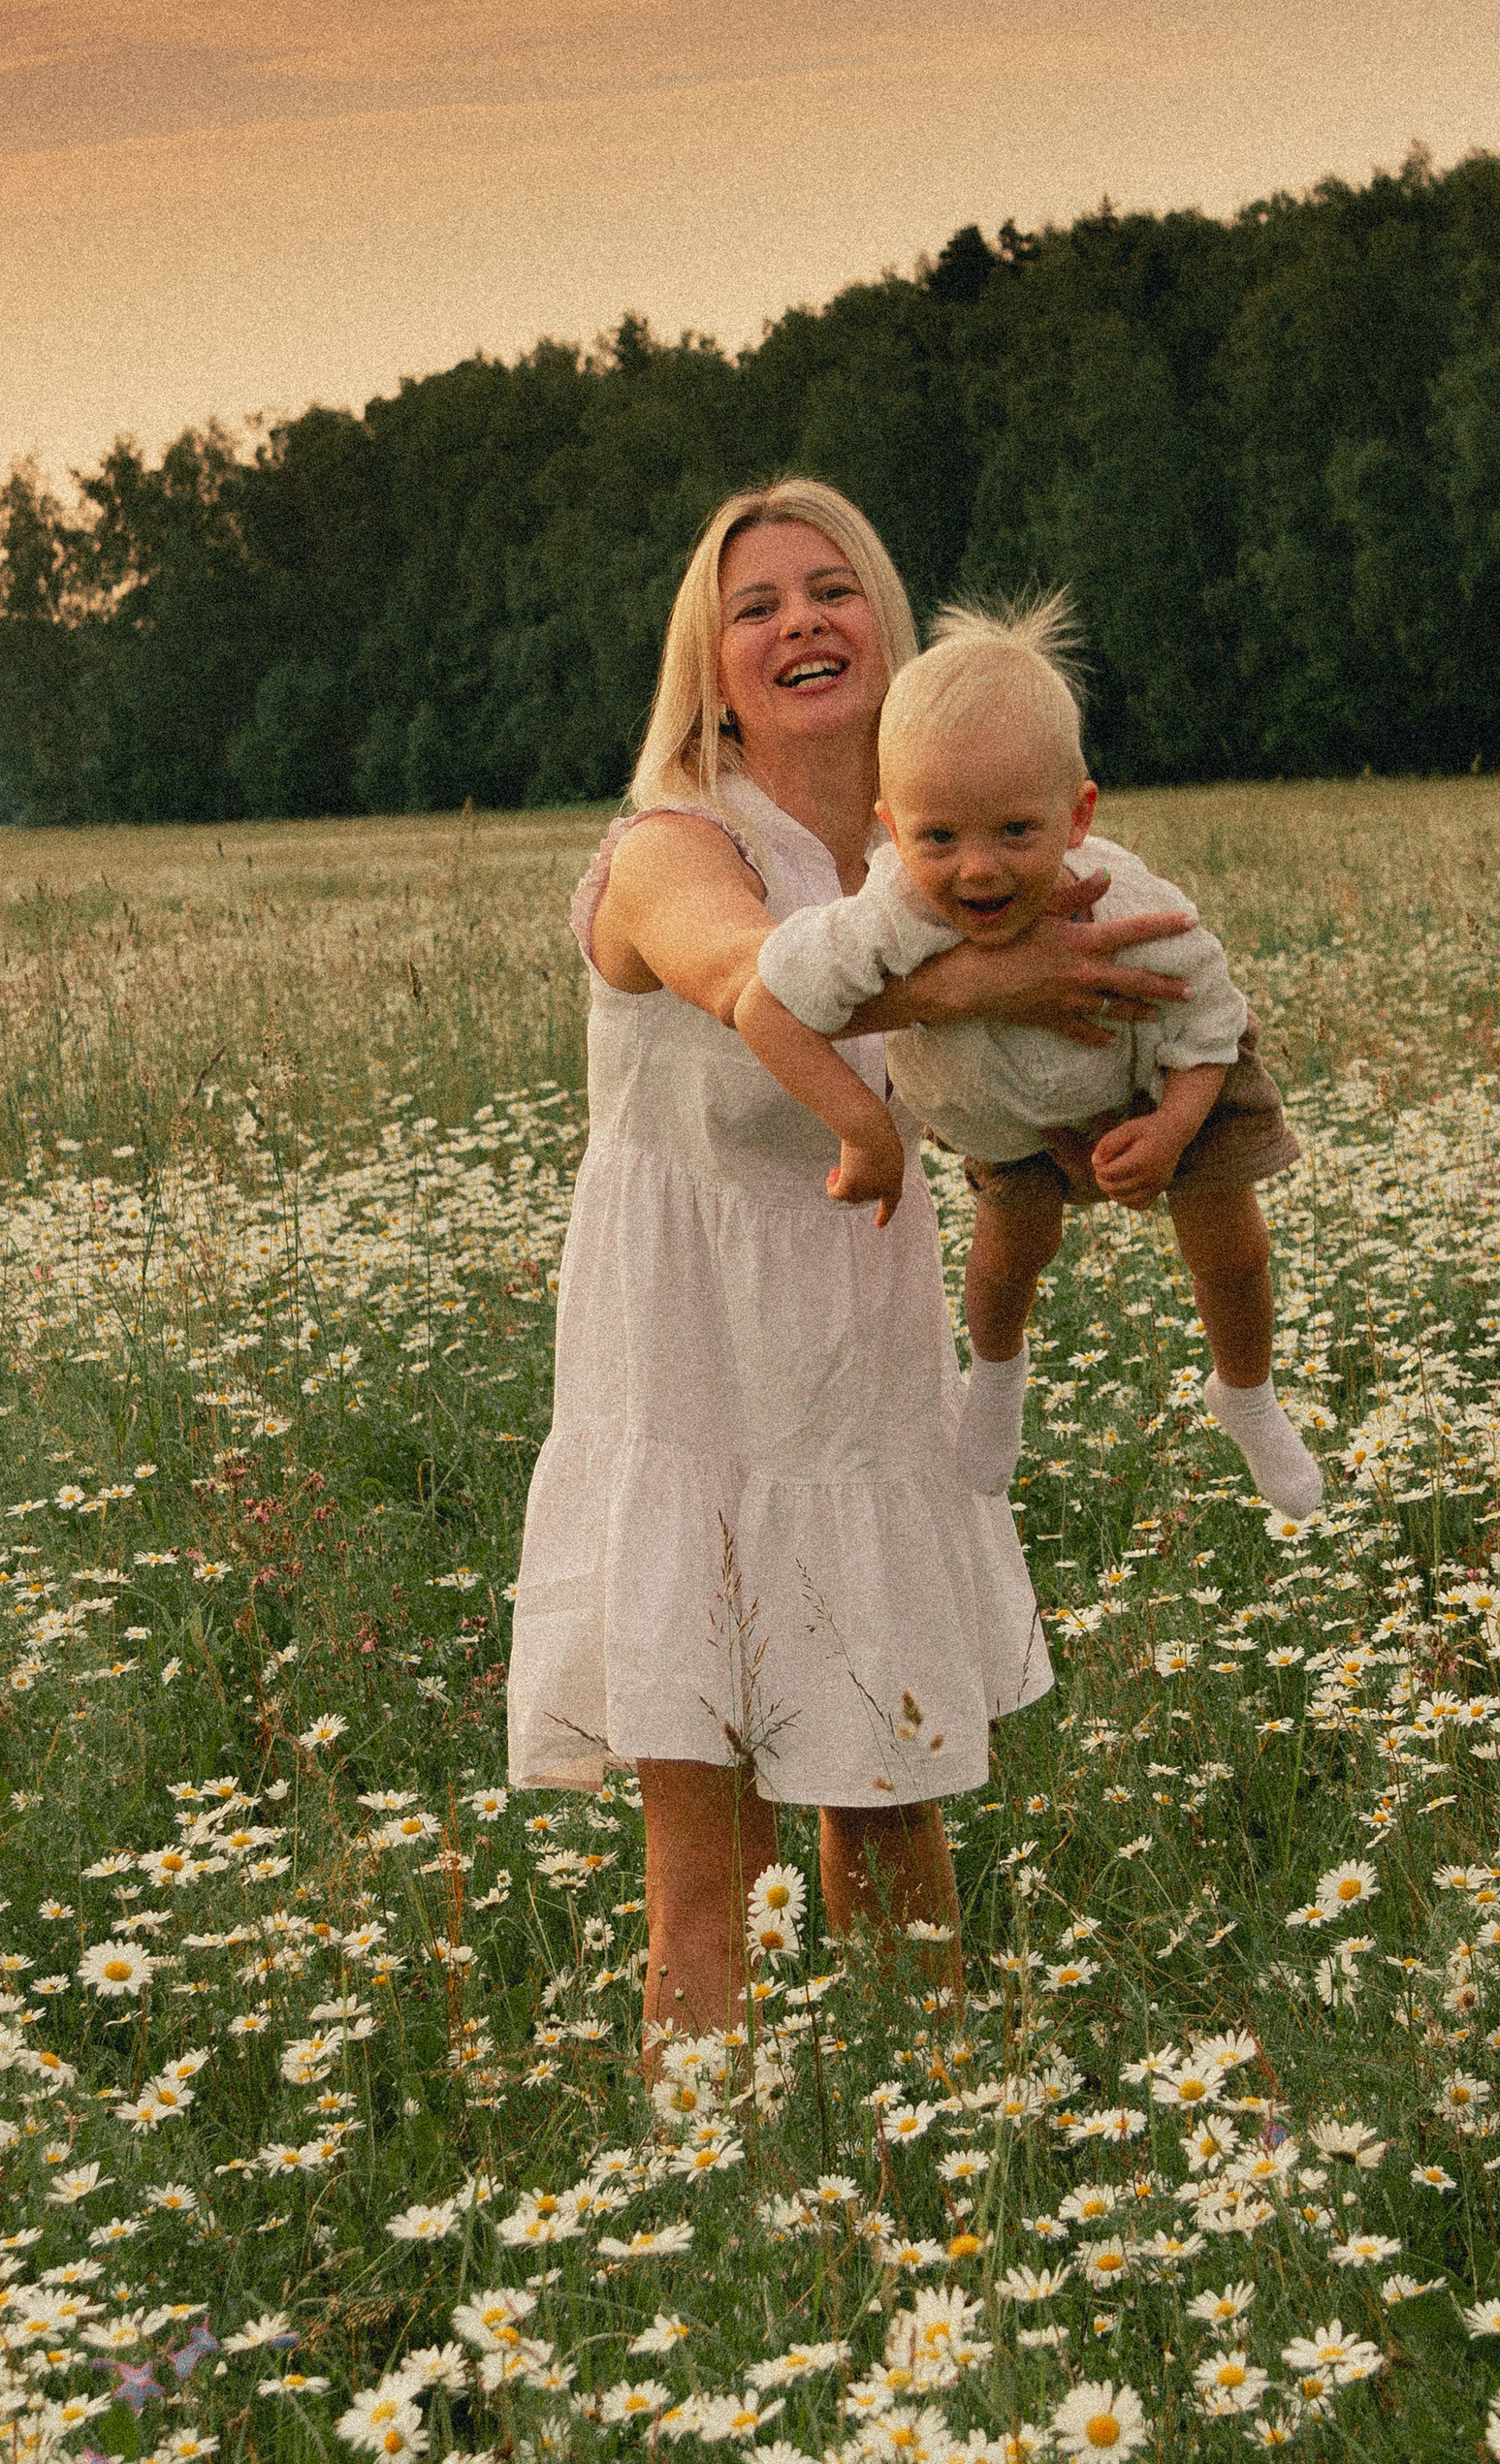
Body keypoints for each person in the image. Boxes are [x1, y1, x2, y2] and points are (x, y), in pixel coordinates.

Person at [504, 483, 1196, 2051]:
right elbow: (754, 978)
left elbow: (1008, 1103)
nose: (800, 621)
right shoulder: (667, 847)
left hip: (857, 1383)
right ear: (715, 665)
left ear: (888, 638)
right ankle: (705, 2201)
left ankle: (922, 2157)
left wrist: (1117, 1130)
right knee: (716, 1885)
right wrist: (986, 979)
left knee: (896, 1832)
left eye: (833, 590)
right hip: (687, 1382)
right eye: (756, 606)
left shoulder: (922, 868)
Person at [735, 596, 1322, 1516]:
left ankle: (1244, 1393)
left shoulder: (1127, 901)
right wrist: (863, 1132)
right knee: (1010, 1257)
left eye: (1016, 831)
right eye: (939, 837)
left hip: (1162, 1075)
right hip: (1003, 1109)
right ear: (891, 826)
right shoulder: (886, 914)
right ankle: (997, 1387)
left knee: (1229, 1242)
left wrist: (1171, 1127)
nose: (978, 870)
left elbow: (1213, 1020)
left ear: (1077, 814)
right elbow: (768, 1002)